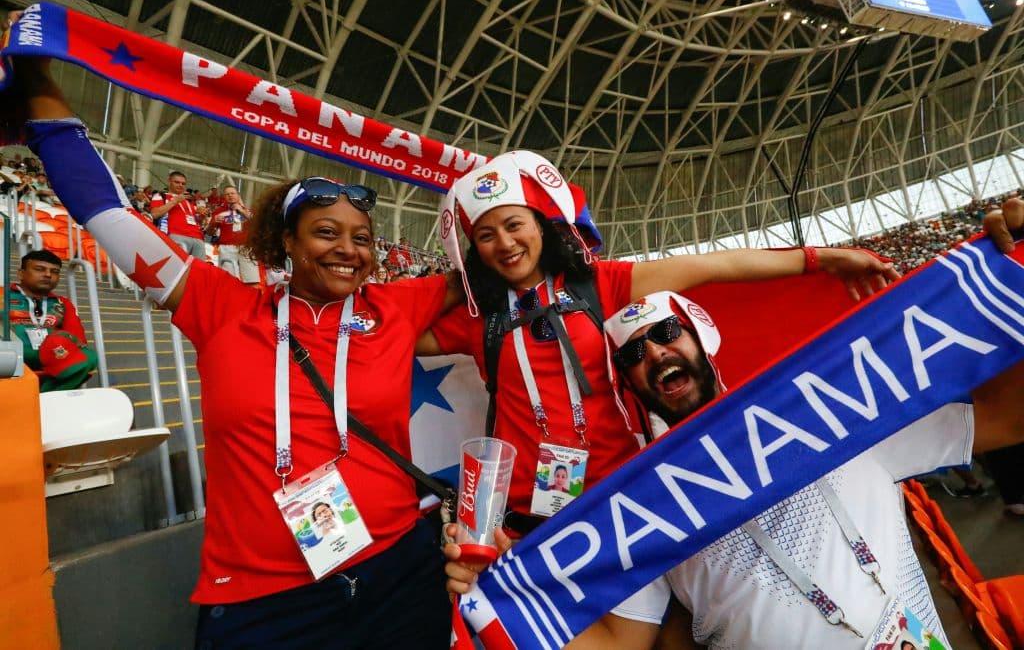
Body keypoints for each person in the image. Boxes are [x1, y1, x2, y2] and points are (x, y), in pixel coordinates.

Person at [12, 47, 462, 648]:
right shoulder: (221, 306)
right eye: (326, 233)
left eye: (362, 239)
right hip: (262, 596)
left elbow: (502, 262)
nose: (348, 250)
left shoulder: (396, 306)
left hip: (398, 573)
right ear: (286, 242)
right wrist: (38, 79)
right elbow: (106, 213)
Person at [445, 285, 1024, 649]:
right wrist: (495, 592)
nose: (655, 352)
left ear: (702, 338)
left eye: (666, 333)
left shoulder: (826, 410)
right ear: (630, 385)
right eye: (634, 354)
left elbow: (1008, 419)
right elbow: (619, 642)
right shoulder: (643, 495)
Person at [419, 151, 898, 536]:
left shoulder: (601, 283)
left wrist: (820, 259)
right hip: (527, 517)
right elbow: (394, 336)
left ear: (541, 224)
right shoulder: (476, 317)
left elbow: (715, 267)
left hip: (628, 495)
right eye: (486, 235)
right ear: (474, 251)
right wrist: (448, 286)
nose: (505, 243)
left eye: (514, 224)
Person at [9, 249, 97, 391]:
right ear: (21, 273)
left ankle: (45, 395)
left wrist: (56, 342)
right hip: (11, 356)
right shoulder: (2, 295)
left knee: (89, 357)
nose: (48, 275)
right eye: (39, 269)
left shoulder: (62, 303)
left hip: (52, 357)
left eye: (54, 272)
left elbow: (77, 339)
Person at [206, 184, 259, 285]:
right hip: (227, 247)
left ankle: (249, 295)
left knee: (252, 279)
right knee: (228, 280)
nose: (230, 196)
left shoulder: (248, 211)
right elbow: (209, 233)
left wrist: (241, 210)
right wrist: (213, 223)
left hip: (246, 247)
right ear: (224, 197)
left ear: (238, 195)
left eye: (232, 193)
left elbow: (258, 223)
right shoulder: (218, 212)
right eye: (227, 194)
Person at [150, 169, 206, 259]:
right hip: (176, 235)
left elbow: (197, 221)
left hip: (198, 238)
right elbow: (155, 214)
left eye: (183, 183)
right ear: (169, 182)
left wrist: (202, 216)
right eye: (177, 182)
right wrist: (175, 200)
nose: (180, 185)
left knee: (199, 267)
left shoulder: (189, 201)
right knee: (177, 265)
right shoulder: (161, 196)